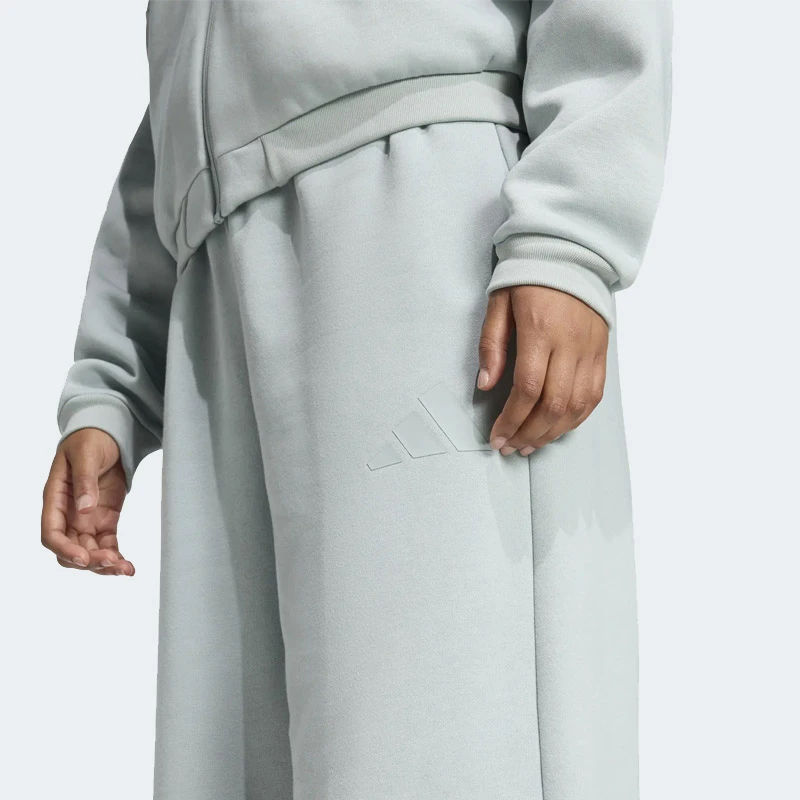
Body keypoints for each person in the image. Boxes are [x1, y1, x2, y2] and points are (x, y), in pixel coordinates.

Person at [40, 1, 673, 798]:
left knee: (438, 751)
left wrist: (568, 235)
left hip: (421, 216)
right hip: (217, 293)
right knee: (240, 773)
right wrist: (114, 384)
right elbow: (187, 110)